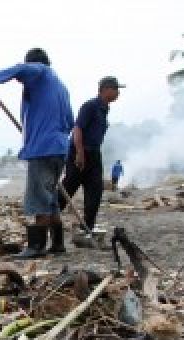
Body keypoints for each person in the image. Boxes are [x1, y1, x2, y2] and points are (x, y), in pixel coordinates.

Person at [0, 48, 73, 259]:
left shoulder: (42, 72)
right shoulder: (62, 88)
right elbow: (69, 122)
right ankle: (57, 244)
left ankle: (36, 246)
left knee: (39, 196)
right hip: (59, 147)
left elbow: (23, 69)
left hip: (43, 148)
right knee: (51, 198)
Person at [60, 76, 122, 238]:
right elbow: (78, 129)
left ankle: (87, 227)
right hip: (79, 152)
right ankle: (47, 218)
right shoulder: (90, 106)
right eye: (116, 89)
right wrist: (80, 153)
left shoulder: (104, 109)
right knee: (69, 187)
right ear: (106, 89)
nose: (118, 93)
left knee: (95, 190)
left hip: (94, 153)